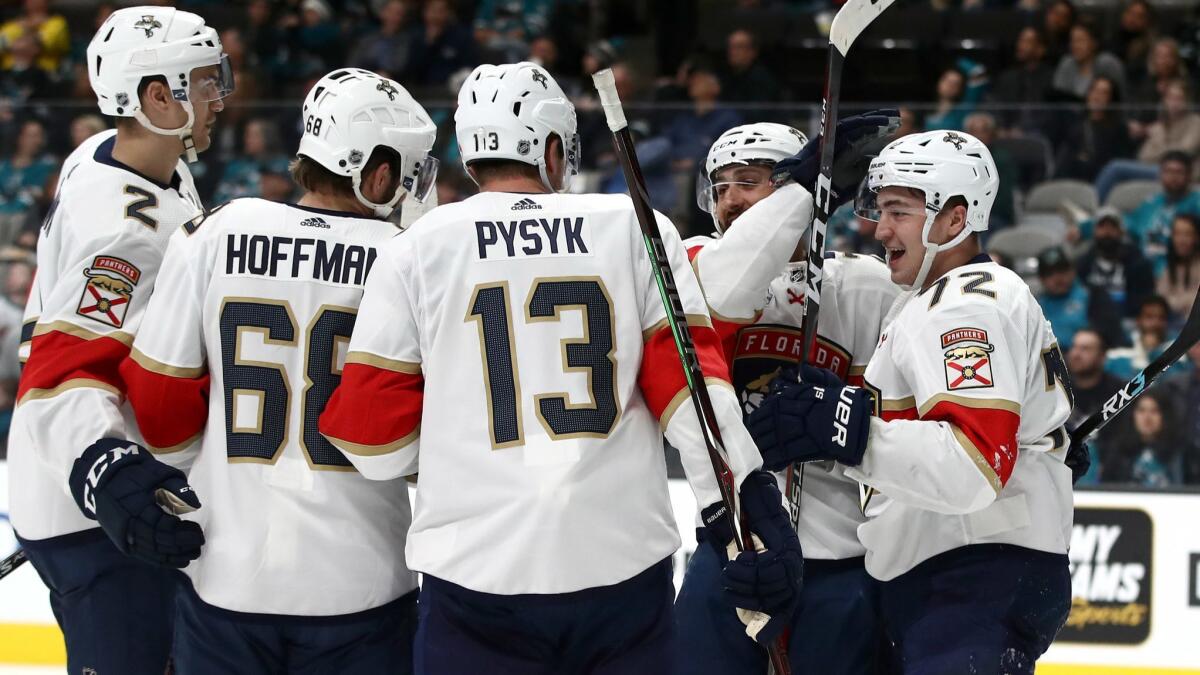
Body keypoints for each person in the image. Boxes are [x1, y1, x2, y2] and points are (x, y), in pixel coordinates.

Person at [318, 61, 803, 674]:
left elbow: (372, 439)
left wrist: (455, 441)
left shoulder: (416, 246)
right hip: (619, 566)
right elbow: (691, 391)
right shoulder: (635, 226)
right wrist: (744, 504)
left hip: (474, 572)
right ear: (553, 149)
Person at [117, 68, 437, 674]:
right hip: (363, 579)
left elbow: (158, 407)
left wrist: (214, 465)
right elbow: (415, 445)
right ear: (379, 172)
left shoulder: (216, 230)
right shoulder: (410, 258)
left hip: (228, 575)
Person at [749, 130, 1075, 674]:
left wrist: (847, 429)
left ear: (954, 219)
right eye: (880, 210)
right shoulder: (946, 300)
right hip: (961, 570)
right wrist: (845, 407)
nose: (879, 229)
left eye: (898, 211)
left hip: (970, 571)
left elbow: (973, 463)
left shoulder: (962, 304)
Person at [6, 7, 232, 674]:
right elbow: (62, 371)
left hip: (86, 495)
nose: (217, 96)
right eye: (204, 81)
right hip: (99, 513)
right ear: (157, 97)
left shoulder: (118, 157)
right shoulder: (123, 232)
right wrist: (103, 470)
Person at [674, 117, 899, 675]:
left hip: (841, 554)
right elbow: (723, 290)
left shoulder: (866, 287)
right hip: (733, 548)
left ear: (799, 188)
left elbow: (910, 405)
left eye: (747, 181)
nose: (729, 201)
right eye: (719, 187)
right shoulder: (693, 263)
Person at [1065, 327, 1126, 484]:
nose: (1076, 354)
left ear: (1102, 357)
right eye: (1075, 347)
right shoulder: (1057, 392)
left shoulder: (1121, 393)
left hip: (1112, 480)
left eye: (1085, 349)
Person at [1035, 246, 1124, 350]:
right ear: (1041, 279)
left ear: (1073, 271)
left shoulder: (1094, 295)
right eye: (1049, 274)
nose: (1058, 278)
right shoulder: (1035, 307)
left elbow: (1111, 335)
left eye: (1062, 270)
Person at [1077, 207, 1156, 318]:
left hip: (1128, 319)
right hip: (1091, 320)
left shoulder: (1139, 264)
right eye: (1102, 226)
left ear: (1121, 232)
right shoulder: (1083, 264)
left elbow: (1144, 301)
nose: (1107, 232)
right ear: (1094, 232)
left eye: (1112, 227)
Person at [1055, 76, 1134, 181]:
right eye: (1094, 90)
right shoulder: (1076, 125)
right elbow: (1064, 162)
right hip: (1075, 180)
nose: (1097, 96)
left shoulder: (1119, 128)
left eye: (1104, 93)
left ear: (1111, 99)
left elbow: (1120, 163)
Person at [1052, 23, 1126, 100]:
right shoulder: (1066, 63)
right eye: (1072, 40)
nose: (1075, 45)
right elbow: (1057, 98)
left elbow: (1122, 99)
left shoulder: (1108, 64)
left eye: (1080, 40)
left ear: (1094, 43)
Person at [1106, 294, 1171, 379]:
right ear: (1138, 320)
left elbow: (1175, 384)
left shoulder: (1176, 347)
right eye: (1149, 317)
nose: (1155, 323)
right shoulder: (1122, 346)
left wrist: (1154, 352)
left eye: (1161, 318)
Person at [1156, 213, 1200, 317]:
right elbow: (1160, 300)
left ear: (1197, 237)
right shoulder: (1170, 268)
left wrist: (1174, 301)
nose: (1181, 240)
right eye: (1177, 234)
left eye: (1187, 234)